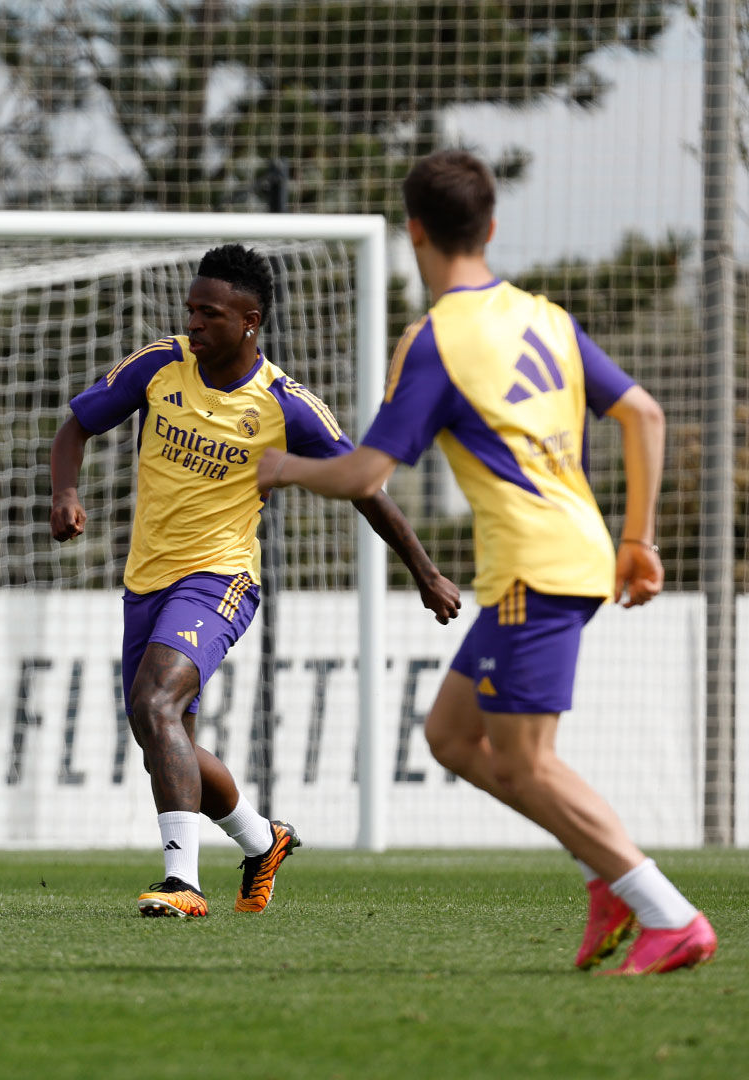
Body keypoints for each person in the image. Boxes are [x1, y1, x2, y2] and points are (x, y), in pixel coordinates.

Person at [259, 150, 715, 974]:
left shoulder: (439, 340)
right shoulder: (546, 317)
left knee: (528, 762)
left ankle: (667, 911)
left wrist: (283, 466)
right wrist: (638, 541)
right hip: (567, 554)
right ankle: (605, 881)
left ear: (415, 233)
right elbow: (643, 414)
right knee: (452, 736)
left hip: (534, 571)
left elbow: (365, 473)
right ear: (493, 228)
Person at [49, 244, 460, 918]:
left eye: (210, 314)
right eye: (191, 310)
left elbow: (364, 485)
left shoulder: (285, 405)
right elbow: (76, 427)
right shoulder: (159, 366)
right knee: (159, 730)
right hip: (146, 580)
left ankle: (181, 882)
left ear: (250, 321)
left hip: (221, 578)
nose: (194, 323)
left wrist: (425, 570)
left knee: (155, 706)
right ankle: (262, 839)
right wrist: (65, 492)